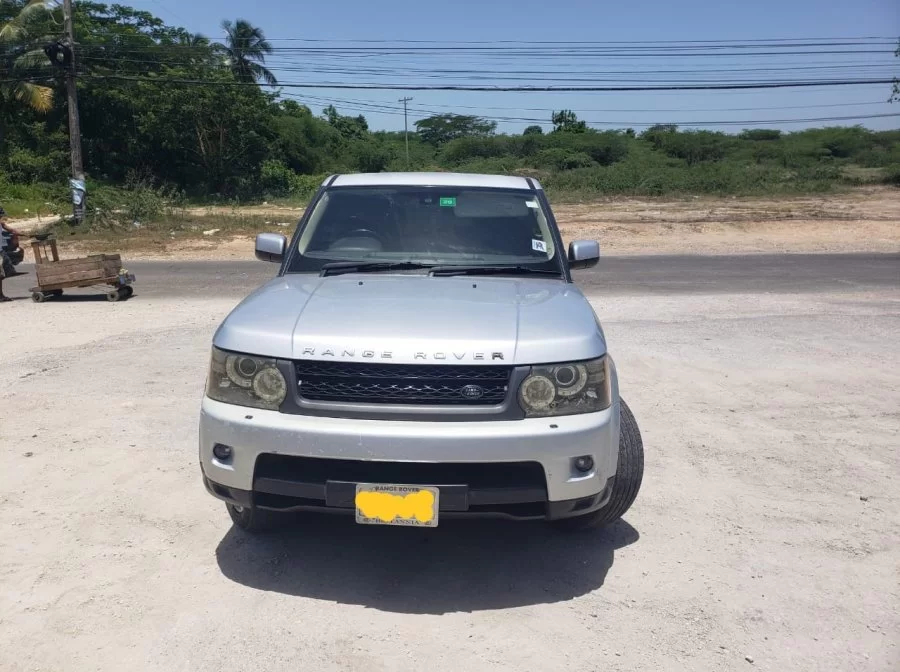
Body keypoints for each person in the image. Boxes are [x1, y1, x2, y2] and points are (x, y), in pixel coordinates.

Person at [0, 206, 19, 301]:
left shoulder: (1, 223)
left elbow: (6, 227)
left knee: (4, 272)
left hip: (0, 251)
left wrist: (13, 231)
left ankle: (0, 295)